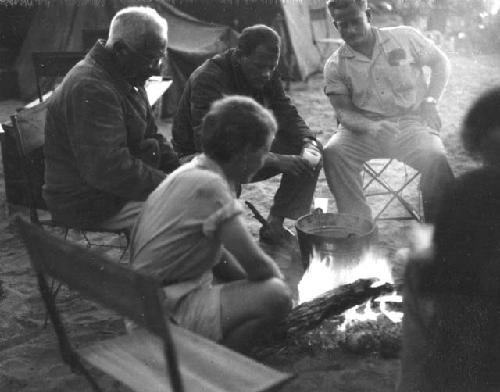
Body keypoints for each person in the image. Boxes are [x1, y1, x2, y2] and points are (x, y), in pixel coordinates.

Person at [130, 96, 293, 353]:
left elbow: (220, 258)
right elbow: (258, 266)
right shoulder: (211, 186)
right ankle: (216, 361)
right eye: (263, 152)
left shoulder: (190, 171)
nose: (264, 160)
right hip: (169, 312)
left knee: (262, 289)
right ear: (244, 153)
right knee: (277, 296)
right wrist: (278, 286)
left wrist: (250, 283)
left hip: (143, 308)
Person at [171, 24, 321, 244]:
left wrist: (308, 140)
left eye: (272, 67)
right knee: (219, 174)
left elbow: (286, 111)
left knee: (310, 153)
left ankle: (274, 226)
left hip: (244, 150)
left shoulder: (265, 68)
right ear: (240, 56)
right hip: (197, 156)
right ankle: (213, 242)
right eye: (260, 66)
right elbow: (209, 145)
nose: (267, 74)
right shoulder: (209, 77)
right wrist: (274, 159)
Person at [397, 87, 500, 392]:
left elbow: (432, 257)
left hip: (472, 327)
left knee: (414, 266)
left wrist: (414, 255)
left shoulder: (471, 190)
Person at [43, 6, 179, 232]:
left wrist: (177, 169)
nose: (156, 68)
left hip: (110, 192)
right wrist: (171, 185)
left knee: (195, 195)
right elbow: (109, 169)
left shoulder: (126, 73)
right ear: (121, 50)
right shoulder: (92, 88)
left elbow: (150, 133)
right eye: (150, 59)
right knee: (191, 212)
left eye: (160, 58)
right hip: (87, 202)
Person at [322, 0, 454, 223]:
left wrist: (430, 101)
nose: (351, 30)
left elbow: (440, 62)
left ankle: (440, 231)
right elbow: (344, 113)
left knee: (436, 157)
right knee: (334, 152)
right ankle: (359, 227)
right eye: (343, 25)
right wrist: (371, 126)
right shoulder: (334, 65)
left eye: (356, 21)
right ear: (336, 26)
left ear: (369, 14)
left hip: (410, 124)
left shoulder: (405, 37)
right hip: (361, 130)